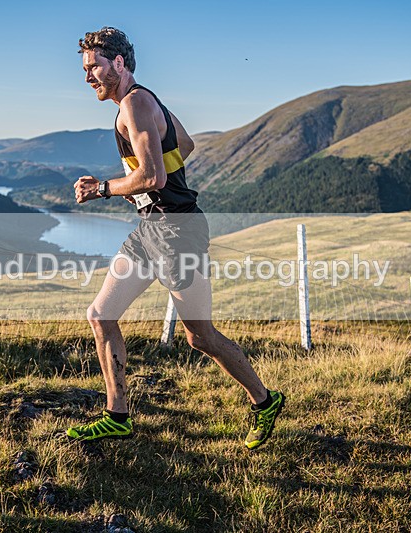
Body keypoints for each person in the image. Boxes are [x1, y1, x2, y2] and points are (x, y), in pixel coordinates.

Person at [67, 27, 284, 450]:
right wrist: (147, 191)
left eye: (94, 67)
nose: (88, 77)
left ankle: (264, 400)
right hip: (151, 228)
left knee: (199, 336)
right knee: (101, 315)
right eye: (85, 69)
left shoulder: (136, 104)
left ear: (119, 63)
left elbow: (153, 176)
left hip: (177, 231)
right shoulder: (143, 102)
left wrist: (104, 189)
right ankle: (117, 416)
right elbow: (185, 144)